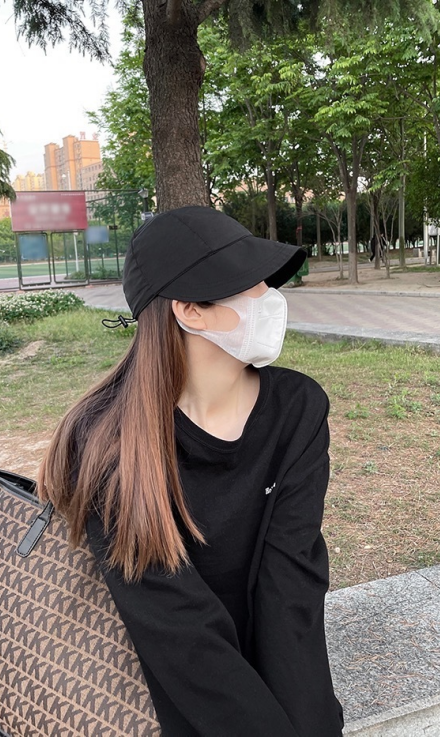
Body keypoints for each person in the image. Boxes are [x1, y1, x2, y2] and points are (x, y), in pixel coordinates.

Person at [38, 206, 344, 738]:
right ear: (190, 311)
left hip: (276, 674)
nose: (271, 298)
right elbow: (179, 630)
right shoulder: (109, 443)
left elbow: (291, 585)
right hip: (172, 693)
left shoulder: (298, 409)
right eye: (250, 282)